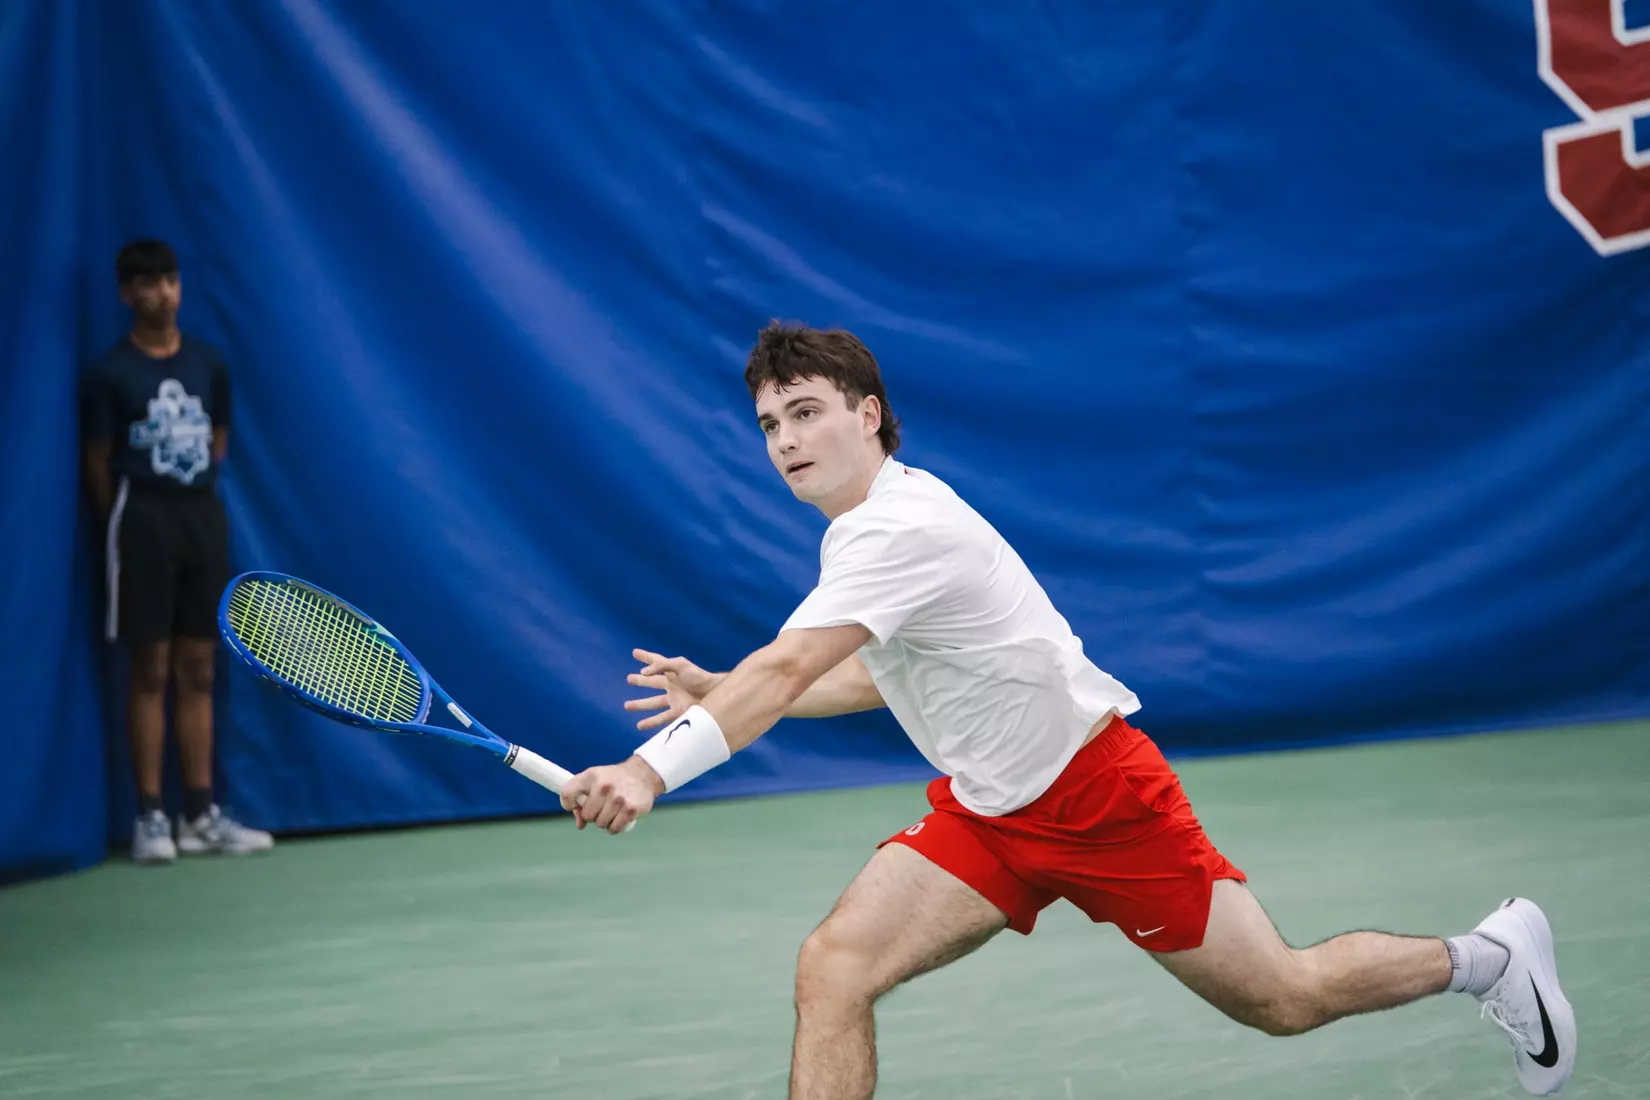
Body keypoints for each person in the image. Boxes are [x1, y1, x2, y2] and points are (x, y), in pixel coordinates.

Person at [561, 321, 1575, 1099]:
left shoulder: (898, 530)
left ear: (868, 414)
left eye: (806, 411)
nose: (786, 439)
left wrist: (651, 767)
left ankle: (1489, 957)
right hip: (988, 813)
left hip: (1099, 798)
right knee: (835, 965)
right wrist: (724, 693)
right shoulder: (866, 529)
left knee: (1283, 996)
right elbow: (870, 677)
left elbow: (786, 668)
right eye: (770, 425)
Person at [80, 239, 275, 865]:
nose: (159, 293)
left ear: (180, 286)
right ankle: (150, 817)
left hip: (201, 519)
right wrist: (133, 517)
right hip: (141, 521)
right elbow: (97, 466)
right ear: (125, 294)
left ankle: (200, 814)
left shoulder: (208, 364)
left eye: (168, 280)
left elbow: (217, 442)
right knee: (151, 668)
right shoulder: (110, 375)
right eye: (145, 283)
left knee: (200, 667)